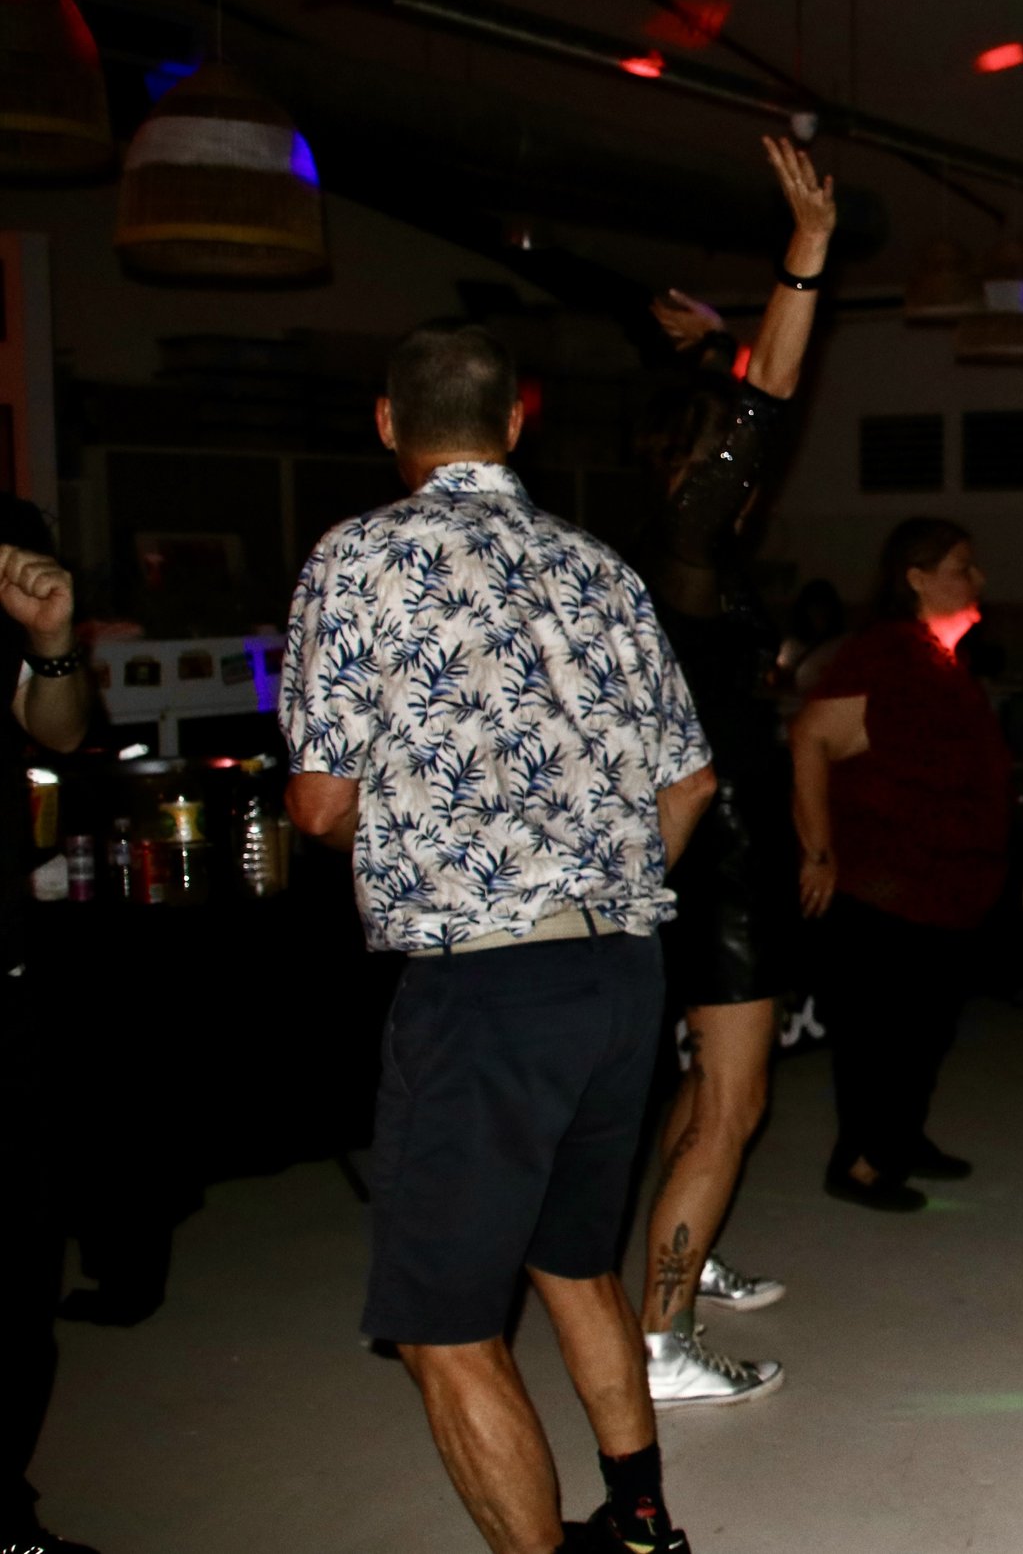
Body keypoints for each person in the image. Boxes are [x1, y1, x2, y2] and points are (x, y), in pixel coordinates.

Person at [283, 323, 718, 1554]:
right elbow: (690, 781)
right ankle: (642, 1524)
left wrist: (413, 825)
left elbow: (318, 803)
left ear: (388, 422)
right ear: (516, 423)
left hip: (484, 987)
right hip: (621, 972)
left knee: (442, 1327)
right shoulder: (598, 564)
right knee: (573, 1261)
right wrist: (597, 877)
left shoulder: (360, 555)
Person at [623, 134, 835, 1408]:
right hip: (725, 854)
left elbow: (740, 409)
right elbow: (767, 407)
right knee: (734, 1102)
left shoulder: (667, 553)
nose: (750, 475)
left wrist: (708, 347)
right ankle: (661, 1337)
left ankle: (679, 1262)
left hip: (704, 843)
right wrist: (802, 258)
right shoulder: (689, 547)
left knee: (708, 1086)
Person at [790, 518, 1012, 1212]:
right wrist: (818, 851)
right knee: (882, 1031)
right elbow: (810, 739)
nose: (977, 579)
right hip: (886, 886)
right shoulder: (884, 653)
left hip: (941, 888)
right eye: (961, 566)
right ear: (916, 578)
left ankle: (900, 1138)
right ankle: (859, 1160)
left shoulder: (936, 658)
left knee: (925, 1029)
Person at [2, 520, 99, 1554]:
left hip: (5, 957)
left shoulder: (7, 540)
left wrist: (52, 639)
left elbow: (60, 731)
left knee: (23, 1254)